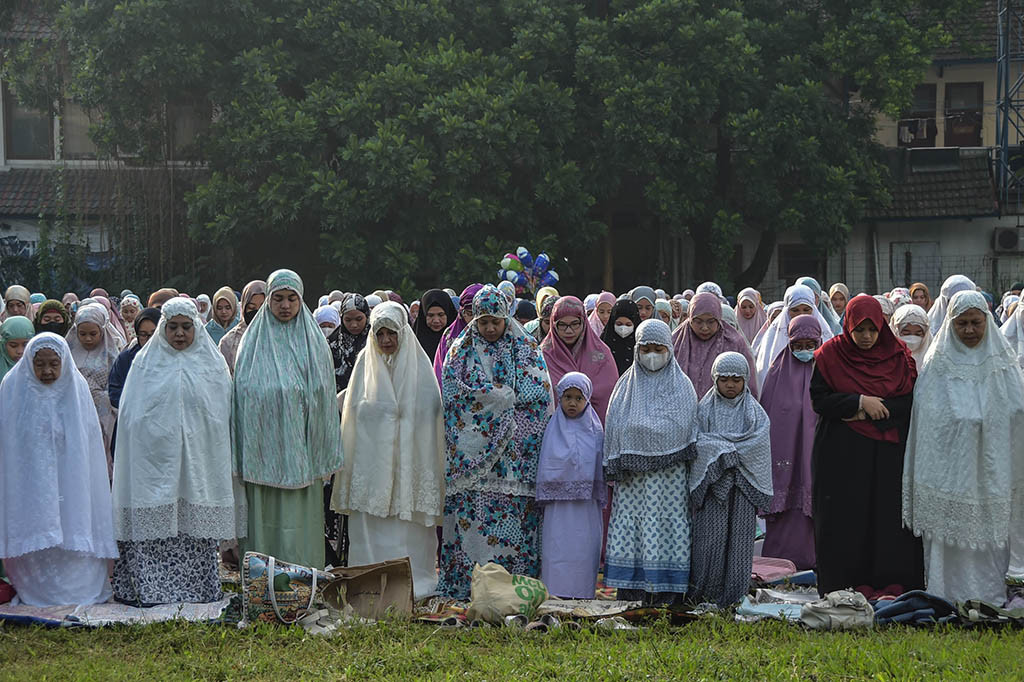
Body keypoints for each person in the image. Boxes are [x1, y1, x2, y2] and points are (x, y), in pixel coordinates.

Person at [111, 299, 243, 605]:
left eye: (186, 327)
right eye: (172, 327)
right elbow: (132, 418)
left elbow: (220, 414)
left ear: (196, 326)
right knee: (155, 525)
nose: (180, 334)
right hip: (153, 465)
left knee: (194, 526)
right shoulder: (145, 364)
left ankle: (197, 588)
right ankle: (150, 588)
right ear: (163, 328)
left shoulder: (212, 365)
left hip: (199, 463)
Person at [903, 290, 1024, 605]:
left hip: (991, 469)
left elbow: (1017, 410)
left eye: (975, 323)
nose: (969, 330)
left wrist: (992, 420)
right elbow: (928, 414)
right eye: (962, 324)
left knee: (989, 535)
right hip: (950, 471)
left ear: (987, 321)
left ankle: (989, 594)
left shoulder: (1004, 366)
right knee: (949, 539)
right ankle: (945, 593)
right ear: (950, 324)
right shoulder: (936, 364)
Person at [438, 285, 551, 599]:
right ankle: (468, 585)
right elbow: (454, 396)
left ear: (506, 318)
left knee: (513, 522)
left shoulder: (526, 347)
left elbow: (538, 397)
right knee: (472, 521)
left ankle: (515, 588)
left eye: (495, 321)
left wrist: (503, 407)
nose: (489, 328)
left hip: (514, 462)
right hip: (472, 462)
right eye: (484, 320)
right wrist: (498, 401)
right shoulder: (459, 351)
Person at [331, 302, 445, 599]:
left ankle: (411, 581)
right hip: (371, 469)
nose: (386, 341)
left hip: (409, 468)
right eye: (379, 334)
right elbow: (352, 419)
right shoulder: (363, 367)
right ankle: (369, 584)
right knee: (372, 529)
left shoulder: (421, 371)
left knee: (407, 532)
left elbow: (431, 413)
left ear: (403, 333)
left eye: (391, 333)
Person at [811, 295, 923, 596]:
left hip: (887, 453)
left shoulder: (898, 357)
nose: (866, 337)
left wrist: (878, 410)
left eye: (872, 330)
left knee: (885, 516)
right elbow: (819, 399)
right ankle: (843, 582)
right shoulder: (830, 356)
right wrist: (859, 403)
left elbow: (908, 401)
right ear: (848, 326)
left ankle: (888, 582)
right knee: (847, 516)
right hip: (842, 454)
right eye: (859, 330)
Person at [233, 269, 343, 569]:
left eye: (291, 299)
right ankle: (261, 579)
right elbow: (240, 395)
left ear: (300, 299)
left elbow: (322, 396)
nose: (285, 306)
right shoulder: (251, 345)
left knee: (298, 523)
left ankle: (302, 577)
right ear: (268, 300)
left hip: (301, 455)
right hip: (262, 453)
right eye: (278, 298)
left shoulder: (315, 343)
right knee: (264, 522)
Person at [0, 334, 118, 606]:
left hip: (71, 482)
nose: (47, 371)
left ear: (65, 361)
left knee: (72, 522)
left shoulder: (76, 390)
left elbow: (87, 447)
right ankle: (35, 588)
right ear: (29, 363)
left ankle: (78, 588)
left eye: (54, 364)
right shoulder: (12, 388)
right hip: (30, 483)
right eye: (39, 365)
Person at [603, 319, 698, 605]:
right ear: (637, 350)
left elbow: (683, 427)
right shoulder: (625, 387)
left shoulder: (682, 386)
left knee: (668, 530)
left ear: (669, 349)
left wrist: (643, 437)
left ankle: (668, 597)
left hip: (670, 481)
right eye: (646, 349)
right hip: (633, 483)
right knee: (634, 533)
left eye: (659, 348)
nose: (652, 355)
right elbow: (615, 426)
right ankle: (631, 596)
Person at [689, 351, 773, 607]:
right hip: (715, 486)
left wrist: (725, 449)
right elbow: (697, 441)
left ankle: (734, 595)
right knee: (709, 541)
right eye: (724, 379)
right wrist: (724, 452)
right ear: (715, 379)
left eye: (736, 379)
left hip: (744, 486)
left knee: (740, 542)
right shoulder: (703, 409)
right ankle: (705, 593)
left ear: (745, 379)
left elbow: (758, 442)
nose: (730, 385)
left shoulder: (754, 412)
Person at [758, 315, 822, 569]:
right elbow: (767, 414)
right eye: (798, 345)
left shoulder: (828, 370)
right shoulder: (777, 371)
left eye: (810, 344)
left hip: (816, 451)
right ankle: (779, 562)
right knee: (785, 506)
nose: (804, 350)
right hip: (784, 454)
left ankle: (815, 560)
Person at [537, 372, 606, 599]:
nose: (573, 403)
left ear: (587, 399)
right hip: (558, 507)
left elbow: (599, 464)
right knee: (557, 546)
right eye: (567, 397)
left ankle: (582, 591)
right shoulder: (552, 428)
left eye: (579, 398)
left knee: (583, 548)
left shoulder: (595, 430)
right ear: (559, 397)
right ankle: (555, 591)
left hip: (586, 506)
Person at [540, 296, 619, 423]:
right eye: (562, 325)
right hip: (554, 431)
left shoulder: (602, 354)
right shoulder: (543, 355)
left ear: (584, 322)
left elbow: (609, 397)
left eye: (575, 324)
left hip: (595, 431)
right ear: (553, 325)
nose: (569, 330)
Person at [67, 303, 124, 471]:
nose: (88, 339)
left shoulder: (113, 354)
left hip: (105, 419)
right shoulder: (67, 353)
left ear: (102, 331)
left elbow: (116, 386)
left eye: (93, 334)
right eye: (82, 334)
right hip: (75, 412)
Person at [673, 292, 759, 399]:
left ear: (718, 319)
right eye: (698, 321)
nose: (704, 328)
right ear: (690, 319)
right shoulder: (677, 342)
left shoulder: (734, 342)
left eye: (710, 322)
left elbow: (749, 385)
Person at [752, 284, 834, 387]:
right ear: (787, 311)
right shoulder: (773, 339)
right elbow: (765, 374)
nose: (801, 314)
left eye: (806, 310)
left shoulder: (825, 336)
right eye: (795, 310)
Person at [107, 307, 162, 454]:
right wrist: (136, 405)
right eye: (143, 335)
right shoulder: (127, 358)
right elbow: (114, 391)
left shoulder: (171, 357)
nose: (148, 340)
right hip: (132, 425)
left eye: (153, 334)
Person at [433, 284, 483, 384]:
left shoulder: (498, 335)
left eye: (479, 313)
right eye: (469, 313)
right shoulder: (450, 336)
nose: (474, 319)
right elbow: (440, 372)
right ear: (461, 312)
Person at [219, 280, 267, 375]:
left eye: (262, 308)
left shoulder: (280, 337)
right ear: (244, 309)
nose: (257, 313)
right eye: (252, 308)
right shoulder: (229, 342)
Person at [327, 292, 371, 393]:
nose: (354, 325)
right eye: (348, 320)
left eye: (359, 319)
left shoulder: (375, 340)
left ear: (367, 316)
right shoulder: (332, 344)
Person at [413, 289, 457, 362]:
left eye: (441, 315)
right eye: (430, 315)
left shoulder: (458, 341)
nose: (436, 320)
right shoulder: (414, 343)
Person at [600, 298, 641, 376]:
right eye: (619, 324)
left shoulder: (640, 345)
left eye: (628, 324)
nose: (623, 328)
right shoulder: (603, 344)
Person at [0, 316, 34, 381]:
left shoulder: (39, 366)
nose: (20, 351)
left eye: (26, 345)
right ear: (3, 345)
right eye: (13, 345)